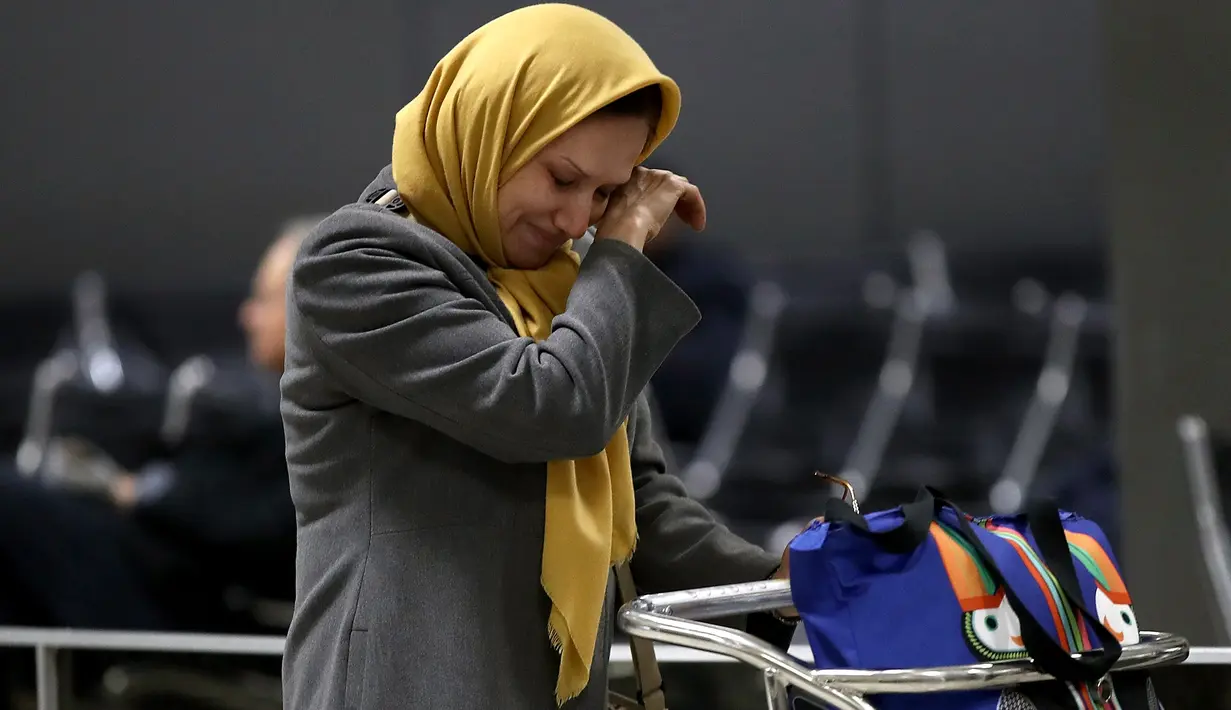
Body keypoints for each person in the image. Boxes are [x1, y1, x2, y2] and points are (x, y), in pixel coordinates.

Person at [279, 6, 797, 710]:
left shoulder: (565, 286)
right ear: (491, 130)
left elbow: (634, 503)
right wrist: (623, 248)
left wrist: (783, 585)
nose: (579, 220)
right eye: (562, 179)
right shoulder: (356, 261)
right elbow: (550, 409)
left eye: (608, 194)